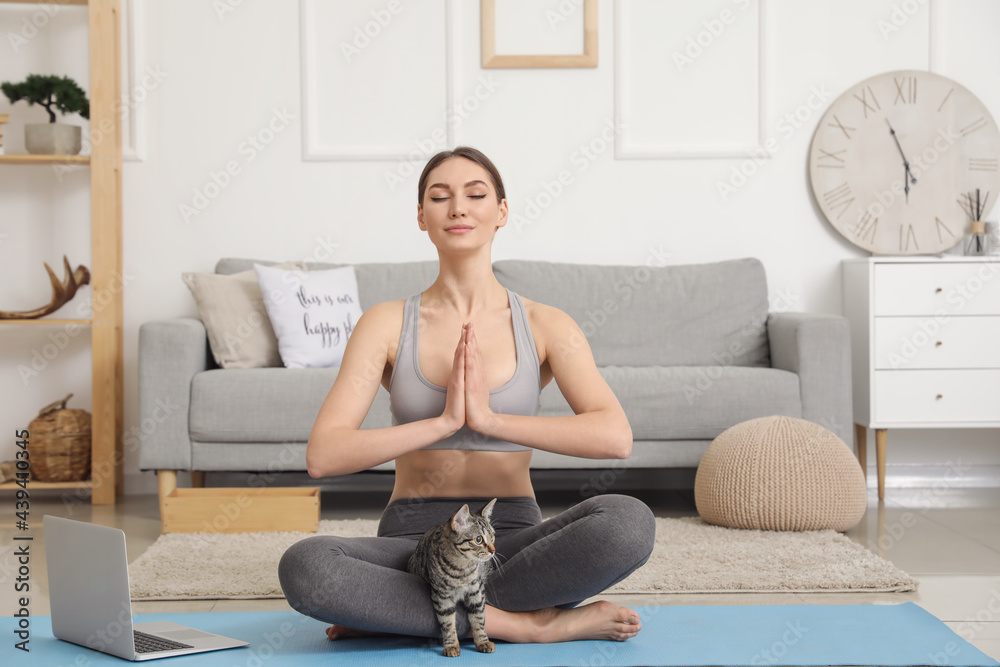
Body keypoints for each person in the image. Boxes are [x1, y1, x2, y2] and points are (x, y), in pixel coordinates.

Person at [278, 146, 656, 645]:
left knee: (629, 522)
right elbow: (324, 455)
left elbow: (615, 437)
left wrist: (490, 420)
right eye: (440, 196)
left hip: (508, 539)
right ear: (421, 216)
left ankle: (402, 613)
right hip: (413, 547)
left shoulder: (545, 323)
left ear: (500, 211)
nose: (458, 207)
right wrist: (441, 422)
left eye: (475, 194)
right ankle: (528, 625)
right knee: (307, 568)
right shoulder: (385, 323)